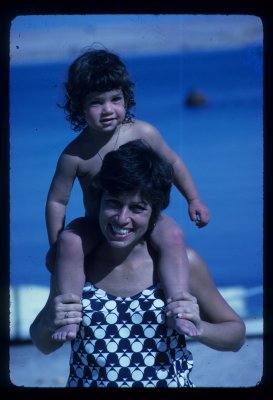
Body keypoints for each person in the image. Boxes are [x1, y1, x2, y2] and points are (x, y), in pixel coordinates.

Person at [30, 140, 245, 388]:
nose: (122, 219)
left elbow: (236, 335)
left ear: (154, 212)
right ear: (99, 201)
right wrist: (50, 321)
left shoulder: (184, 263)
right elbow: (43, 343)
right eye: (113, 203)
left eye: (137, 208)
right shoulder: (76, 263)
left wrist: (200, 328)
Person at [45, 48, 210, 341]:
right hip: (98, 224)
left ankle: (179, 306)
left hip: (145, 219)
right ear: (78, 107)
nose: (108, 109)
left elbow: (173, 163)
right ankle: (70, 314)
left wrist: (194, 199)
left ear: (126, 99)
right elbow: (57, 201)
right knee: (70, 241)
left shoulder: (143, 132)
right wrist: (55, 245)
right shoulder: (75, 154)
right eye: (96, 102)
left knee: (172, 235)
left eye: (115, 99)